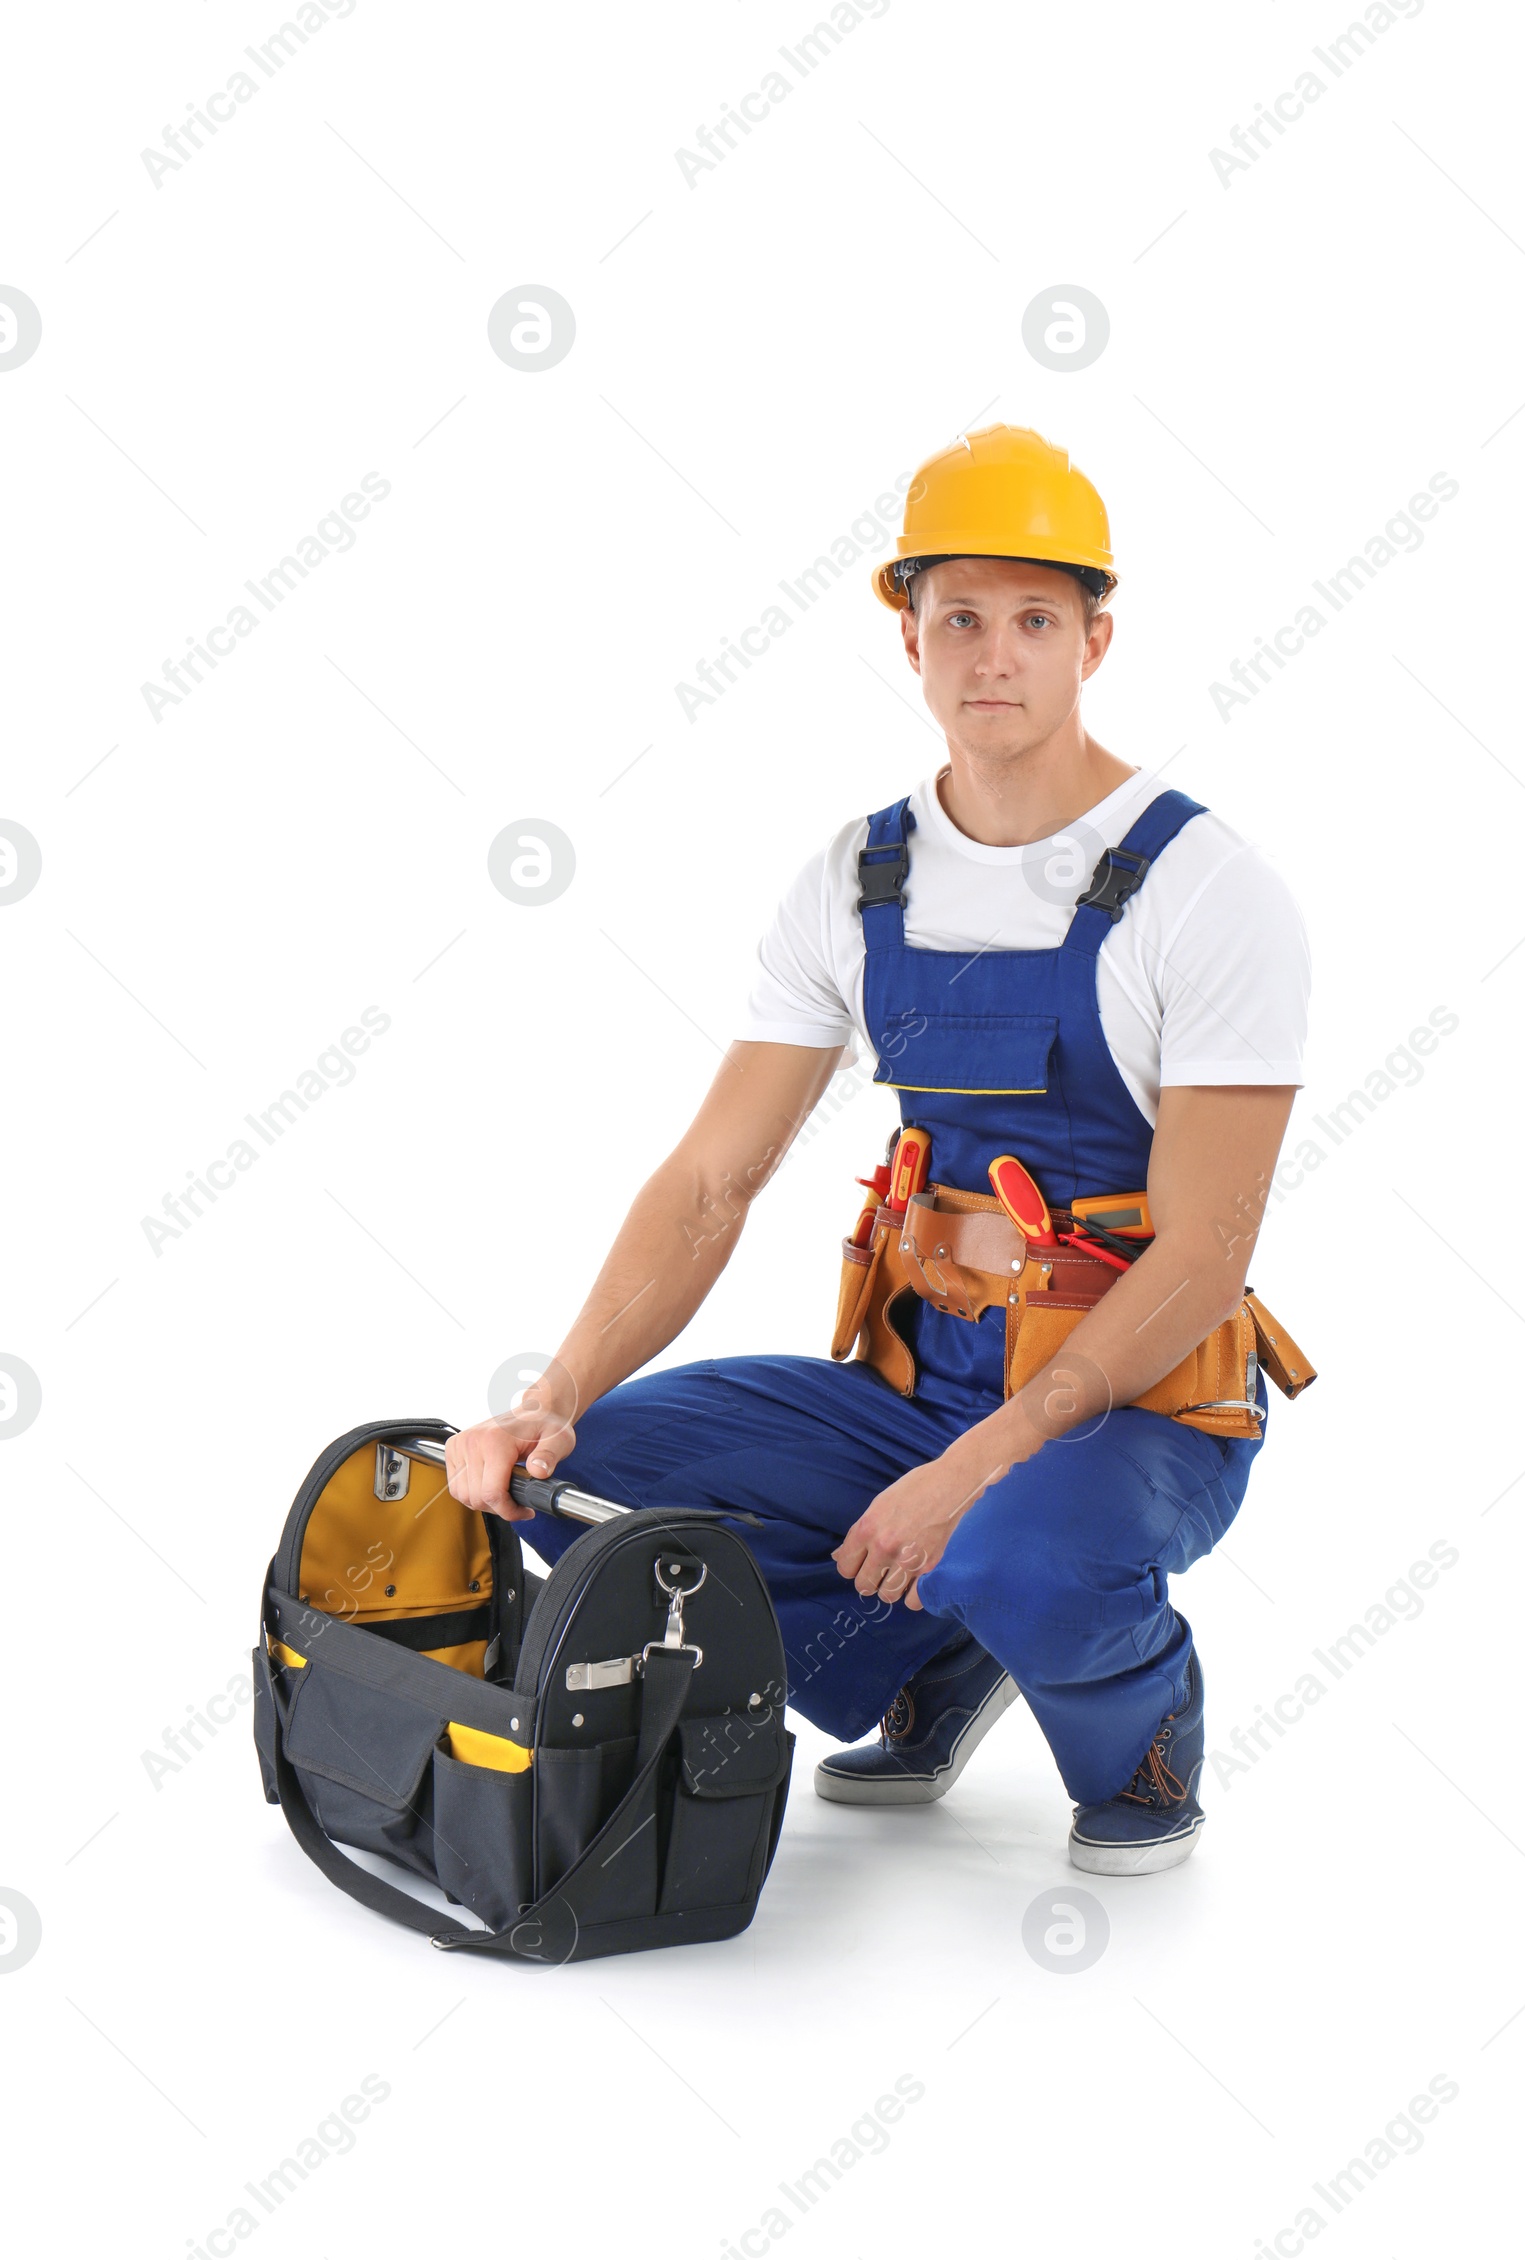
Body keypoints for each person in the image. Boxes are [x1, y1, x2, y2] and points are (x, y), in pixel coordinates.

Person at [446, 423, 1313, 1875]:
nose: (993, 656)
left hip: (1140, 1401)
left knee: (1017, 1548)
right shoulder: (860, 879)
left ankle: (1143, 1734)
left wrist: (980, 1467)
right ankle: (933, 1662)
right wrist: (555, 1392)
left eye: (1034, 620)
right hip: (921, 1381)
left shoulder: (1206, 892)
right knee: (583, 1485)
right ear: (905, 633)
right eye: (957, 617)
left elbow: (1210, 1248)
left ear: (1096, 639)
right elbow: (713, 1177)